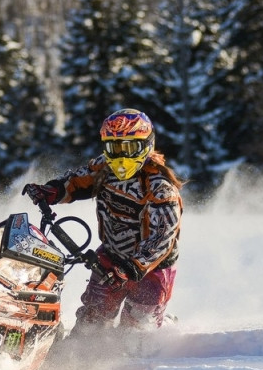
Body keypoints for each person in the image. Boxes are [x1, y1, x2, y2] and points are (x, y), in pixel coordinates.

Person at [24, 108, 183, 334]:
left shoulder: (160, 188)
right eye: (114, 148)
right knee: (90, 322)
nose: (121, 157)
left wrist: (132, 267)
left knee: (134, 335)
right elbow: (77, 181)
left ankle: (164, 326)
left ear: (146, 145)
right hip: (110, 257)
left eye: (129, 148)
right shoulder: (103, 168)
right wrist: (52, 191)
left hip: (151, 269)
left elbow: (162, 237)